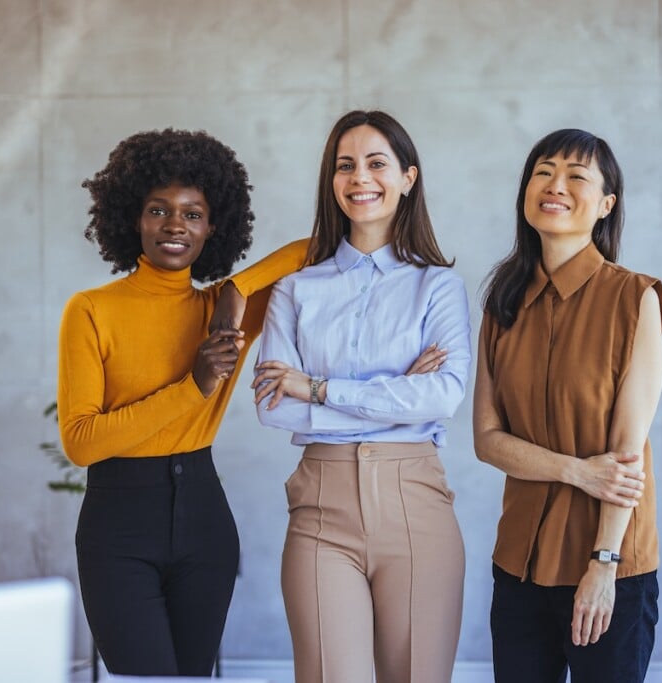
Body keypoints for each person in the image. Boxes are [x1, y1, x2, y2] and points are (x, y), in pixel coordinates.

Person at [57, 128, 307, 677]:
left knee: (192, 678)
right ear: (133, 219)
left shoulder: (224, 310)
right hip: (118, 525)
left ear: (214, 226)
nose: (175, 225)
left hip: (204, 520)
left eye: (194, 214)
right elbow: (80, 442)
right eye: (158, 210)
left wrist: (236, 292)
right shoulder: (91, 310)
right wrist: (193, 385)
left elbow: (312, 249)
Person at [250, 110, 470, 683]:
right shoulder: (295, 289)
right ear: (332, 181)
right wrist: (399, 391)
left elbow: (443, 395)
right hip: (322, 508)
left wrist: (319, 388)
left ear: (408, 178)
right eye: (345, 166)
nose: (360, 178)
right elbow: (275, 405)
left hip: (415, 503)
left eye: (377, 163)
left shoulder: (438, 285)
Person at [473, 128, 662, 683]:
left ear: (605, 205)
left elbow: (626, 458)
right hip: (519, 564)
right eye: (543, 171)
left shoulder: (635, 298)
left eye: (576, 176)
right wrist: (577, 471)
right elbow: (487, 441)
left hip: (608, 565)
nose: (555, 185)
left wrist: (604, 566)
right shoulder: (501, 303)